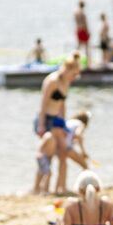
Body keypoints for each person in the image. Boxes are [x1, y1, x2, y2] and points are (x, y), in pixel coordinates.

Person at [36, 52, 81, 195]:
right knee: (48, 153)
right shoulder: (53, 80)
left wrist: (64, 123)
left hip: (57, 120)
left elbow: (62, 104)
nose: (74, 78)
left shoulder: (66, 82)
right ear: (67, 70)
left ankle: (60, 188)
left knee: (63, 153)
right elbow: (43, 104)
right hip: (46, 119)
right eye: (73, 74)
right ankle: (41, 188)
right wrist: (41, 125)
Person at [74, 0, 90, 66]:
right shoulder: (82, 13)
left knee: (78, 46)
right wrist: (87, 31)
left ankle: (74, 61)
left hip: (78, 29)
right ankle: (88, 63)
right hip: (83, 30)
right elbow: (85, 23)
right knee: (86, 46)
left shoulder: (76, 12)